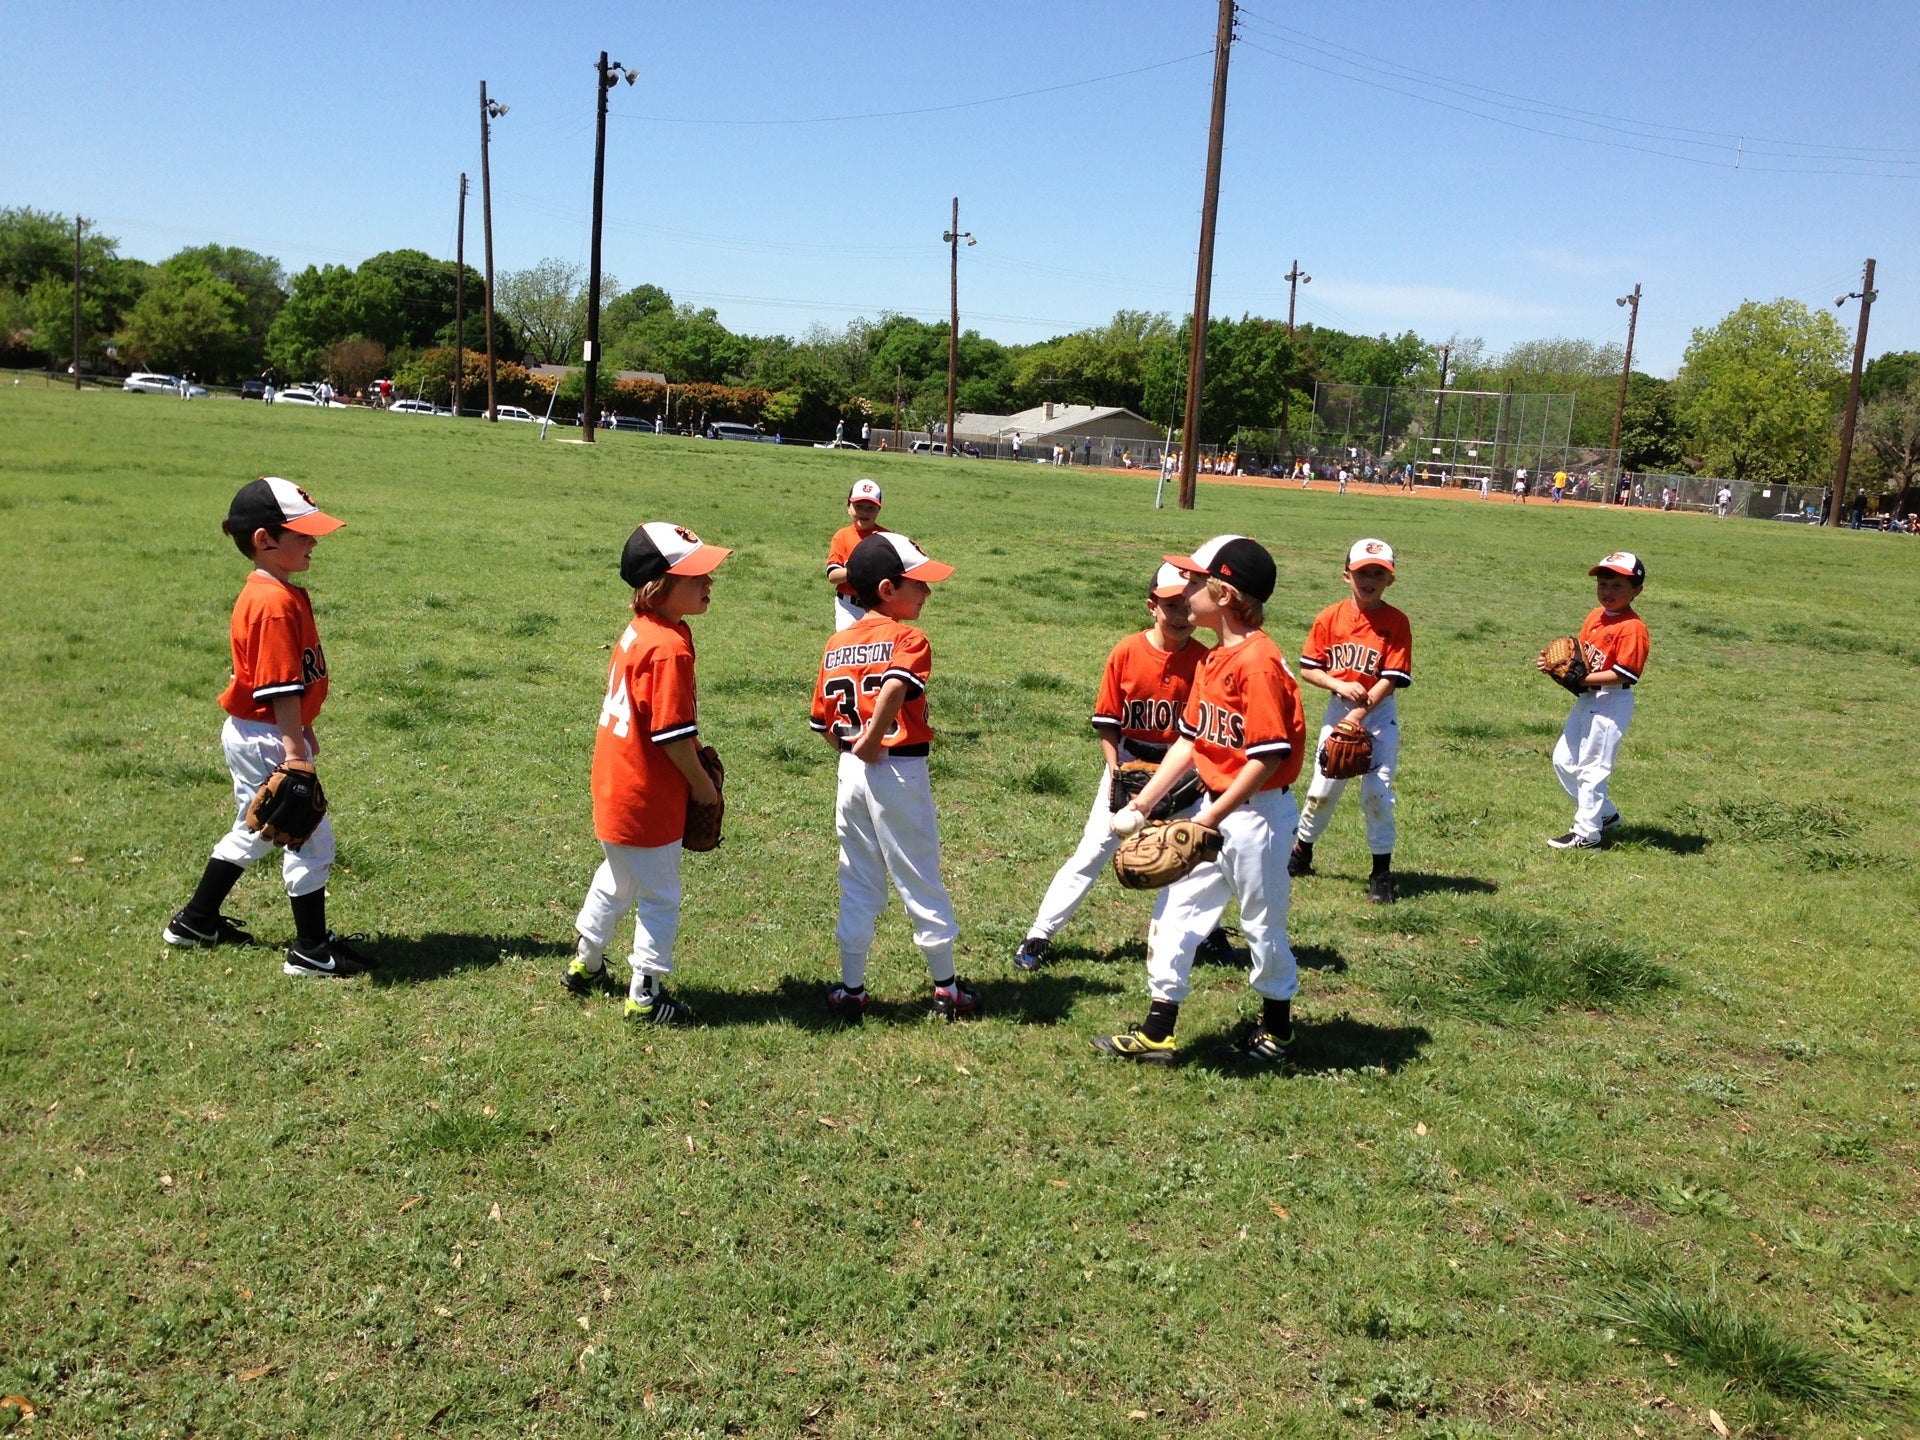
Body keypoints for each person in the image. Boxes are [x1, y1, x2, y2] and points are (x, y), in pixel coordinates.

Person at [1095, 536, 1306, 1067]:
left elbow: (1266, 759)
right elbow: (1191, 740)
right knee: (1175, 914)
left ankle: (1279, 1029)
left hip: (1257, 816)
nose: (1184, 591)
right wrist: (1145, 803)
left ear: (1224, 595)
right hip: (1215, 812)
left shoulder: (1257, 662)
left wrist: (1208, 818)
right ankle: (1157, 1032)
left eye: (1194, 582)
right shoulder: (1214, 659)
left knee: (1262, 925)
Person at [161, 478, 366, 976]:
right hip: (268, 734)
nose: (313, 541)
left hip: (263, 731)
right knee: (308, 835)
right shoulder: (271, 603)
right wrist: (294, 753)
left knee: (257, 830)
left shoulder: (277, 592)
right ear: (264, 540)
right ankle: (311, 950)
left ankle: (196, 920)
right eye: (302, 534)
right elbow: (279, 690)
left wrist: (301, 729)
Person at [564, 522, 731, 1022]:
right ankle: (645, 995)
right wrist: (702, 788)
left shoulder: (641, 630)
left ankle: (586, 961)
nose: (709, 581)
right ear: (660, 584)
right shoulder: (668, 647)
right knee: (661, 895)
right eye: (695, 574)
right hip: (647, 795)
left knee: (617, 879)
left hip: (614, 785)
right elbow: (672, 736)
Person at [811, 531, 980, 1022]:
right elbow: (893, 687)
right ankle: (947, 988)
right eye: (918, 584)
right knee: (919, 873)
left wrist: (852, 749)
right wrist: (872, 741)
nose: (927, 591)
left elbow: (821, 722)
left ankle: (851, 989)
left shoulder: (837, 641)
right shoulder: (909, 638)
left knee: (857, 877)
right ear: (887, 589)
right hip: (897, 768)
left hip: (850, 772)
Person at [1014, 564, 1210, 971]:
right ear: (1151, 606)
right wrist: (1116, 771)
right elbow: (1108, 722)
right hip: (1127, 764)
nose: (1180, 615)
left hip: (1182, 774)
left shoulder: (1205, 661)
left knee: (1193, 858)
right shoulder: (1127, 652)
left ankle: (1204, 934)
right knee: (1091, 852)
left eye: (1186, 605)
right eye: (1170, 605)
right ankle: (1039, 933)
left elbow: (1202, 736)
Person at [1288, 539, 1413, 904]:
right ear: (1346, 576)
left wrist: (1358, 715)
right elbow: (1309, 668)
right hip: (1338, 710)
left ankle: (1381, 873)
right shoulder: (1329, 617)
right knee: (1322, 791)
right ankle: (1302, 851)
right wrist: (1338, 685)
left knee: (1377, 794)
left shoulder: (1397, 622)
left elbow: (1391, 680)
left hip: (1379, 715)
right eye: (1362, 573)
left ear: (1390, 580)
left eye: (1378, 574)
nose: (1369, 580)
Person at [1540, 551, 1650, 850]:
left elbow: (1625, 674)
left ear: (1637, 590)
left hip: (1611, 702)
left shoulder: (1632, 628)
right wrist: (1555, 666)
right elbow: (1579, 658)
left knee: (1592, 768)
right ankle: (1606, 815)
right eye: (1603, 584)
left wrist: (1580, 680)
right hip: (1589, 699)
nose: (1607, 592)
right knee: (1564, 760)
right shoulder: (1595, 616)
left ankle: (1587, 835)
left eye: (1617, 586)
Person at [825, 479, 889, 631]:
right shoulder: (842, 536)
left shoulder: (886, 538)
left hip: (879, 607)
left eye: (871, 508)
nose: (864, 512)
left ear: (878, 510)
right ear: (848, 507)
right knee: (849, 644)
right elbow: (832, 576)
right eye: (858, 506)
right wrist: (854, 571)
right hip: (848, 607)